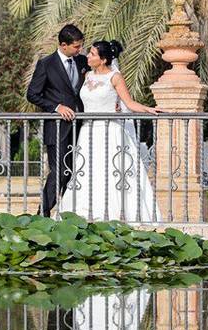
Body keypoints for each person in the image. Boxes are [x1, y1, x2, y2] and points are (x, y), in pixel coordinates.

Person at [54, 40, 162, 222]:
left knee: (111, 171)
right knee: (87, 171)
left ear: (103, 60)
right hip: (88, 132)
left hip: (110, 131)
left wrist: (149, 109)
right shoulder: (86, 75)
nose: (87, 56)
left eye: (93, 54)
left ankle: (115, 213)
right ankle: (83, 211)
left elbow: (129, 103)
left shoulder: (115, 77)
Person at [26, 24, 90, 217]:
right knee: (60, 170)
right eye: (76, 47)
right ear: (63, 45)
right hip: (57, 128)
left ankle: (65, 212)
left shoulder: (82, 62)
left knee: (71, 172)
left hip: (81, 128)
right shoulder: (46, 64)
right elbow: (32, 94)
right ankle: (42, 213)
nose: (80, 50)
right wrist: (56, 107)